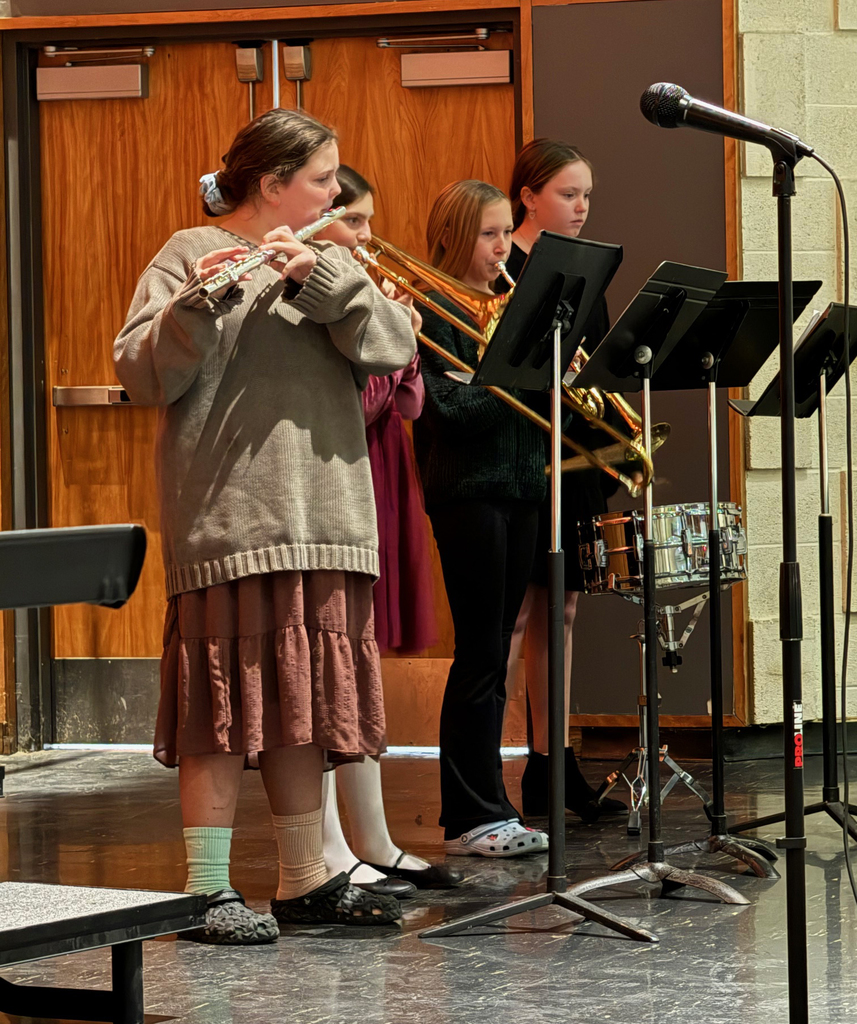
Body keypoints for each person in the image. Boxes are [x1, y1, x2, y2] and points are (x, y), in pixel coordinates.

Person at [113, 109, 418, 943]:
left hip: (324, 516)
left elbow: (394, 347)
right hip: (228, 520)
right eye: (322, 178)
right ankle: (206, 888)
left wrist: (323, 281)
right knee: (220, 710)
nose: (334, 192)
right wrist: (193, 307)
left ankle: (304, 879)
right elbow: (141, 375)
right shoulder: (184, 252)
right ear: (272, 183)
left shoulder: (333, 259)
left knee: (304, 709)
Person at [313, 165, 461, 892]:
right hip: (339, 474)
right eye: (357, 221)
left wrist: (399, 336)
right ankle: (330, 846)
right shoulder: (315, 292)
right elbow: (352, 403)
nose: (371, 237)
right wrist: (393, 342)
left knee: (359, 661)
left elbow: (402, 406)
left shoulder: (359, 286)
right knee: (331, 664)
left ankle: (370, 837)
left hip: (378, 471)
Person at [414, 179, 549, 858]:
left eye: (505, 232)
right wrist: (520, 374)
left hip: (522, 487)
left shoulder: (507, 306)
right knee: (479, 653)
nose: (502, 248)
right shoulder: (434, 308)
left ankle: (493, 805)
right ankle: (469, 814)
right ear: (453, 238)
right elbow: (453, 413)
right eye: (488, 234)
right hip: (468, 492)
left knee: (499, 650)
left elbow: (517, 410)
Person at [498, 138, 630, 820]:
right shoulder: (503, 266)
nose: (580, 207)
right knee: (516, 614)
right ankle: (500, 771)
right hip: (523, 455)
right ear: (527, 195)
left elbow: (598, 364)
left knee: (565, 608)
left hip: (572, 454)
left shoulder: (585, 269)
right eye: (566, 194)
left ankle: (556, 764)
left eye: (585, 196)